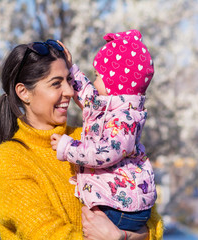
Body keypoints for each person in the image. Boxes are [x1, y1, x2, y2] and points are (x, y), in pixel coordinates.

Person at [0, 38, 163, 239]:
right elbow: (45, 233)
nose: (70, 91)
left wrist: (121, 237)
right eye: (56, 83)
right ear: (24, 92)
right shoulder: (11, 158)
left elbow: (151, 220)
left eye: (68, 80)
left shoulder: (90, 141)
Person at [51, 29, 156, 232]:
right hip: (118, 202)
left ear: (115, 82)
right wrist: (71, 69)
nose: (95, 81)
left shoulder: (124, 118)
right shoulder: (113, 107)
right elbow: (88, 97)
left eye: (98, 76)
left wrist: (67, 147)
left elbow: (104, 153)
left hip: (121, 209)